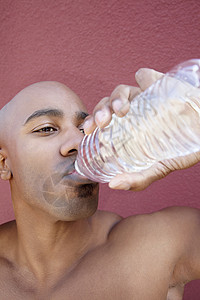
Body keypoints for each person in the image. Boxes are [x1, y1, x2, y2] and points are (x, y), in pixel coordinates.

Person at [0, 68, 200, 300]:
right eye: (47, 129)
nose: (78, 142)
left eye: (84, 128)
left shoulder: (158, 243)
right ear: (4, 163)